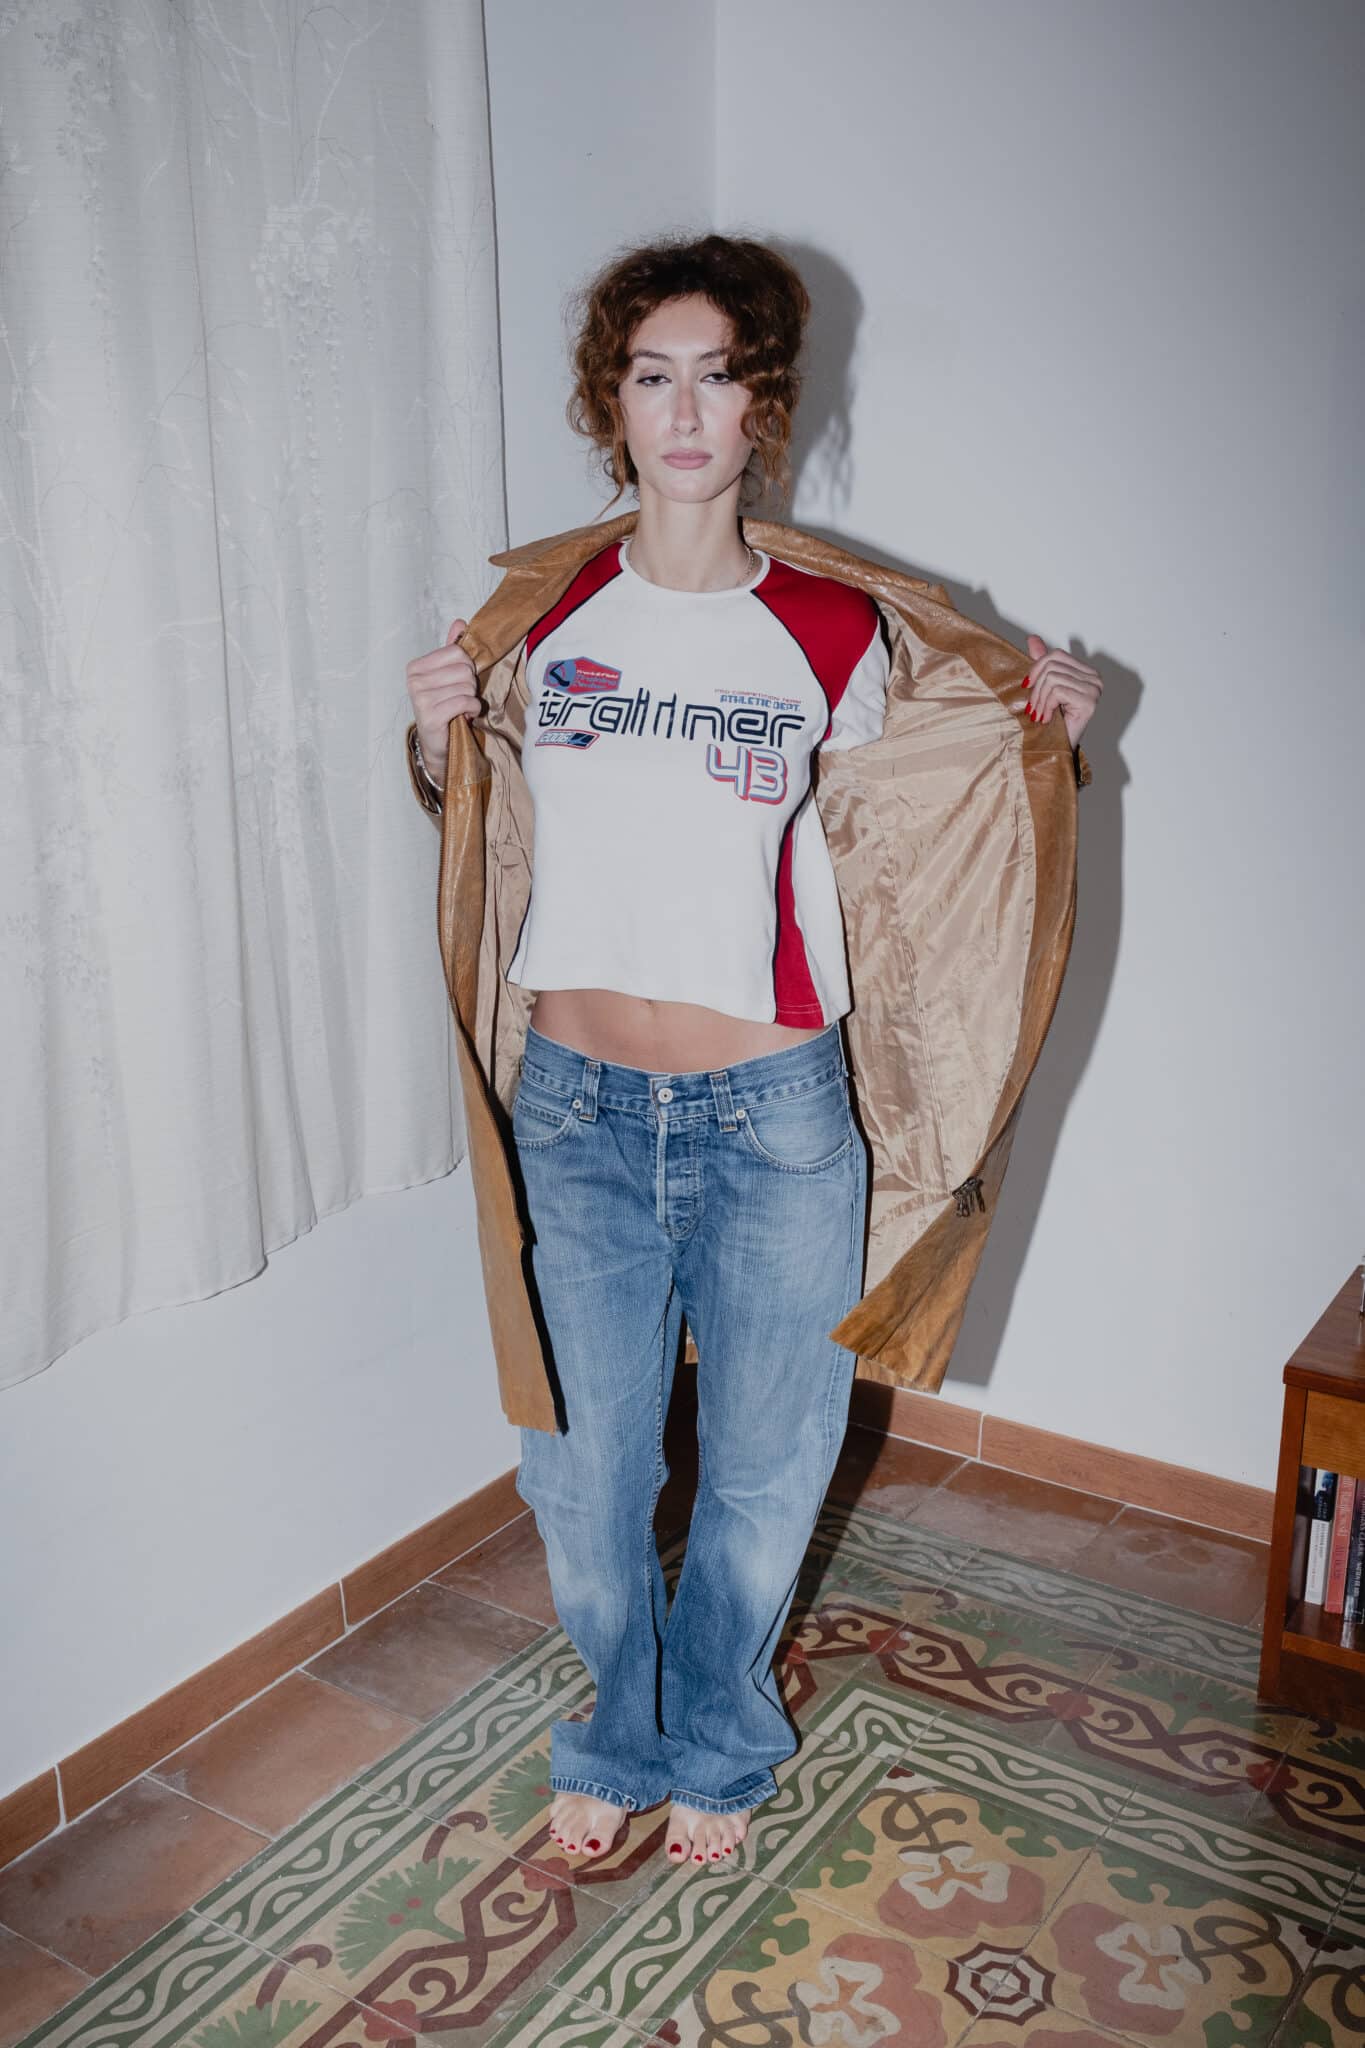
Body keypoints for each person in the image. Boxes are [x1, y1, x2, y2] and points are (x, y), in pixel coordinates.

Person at [404, 233, 1101, 1873]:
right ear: (611, 405)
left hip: (775, 1112)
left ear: (762, 404)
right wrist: (429, 735)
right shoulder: (536, 613)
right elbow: (478, 825)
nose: (681, 411)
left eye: (715, 377)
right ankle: (616, 1730)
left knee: (765, 1471)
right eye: (649, 376)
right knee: (581, 1478)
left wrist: (1045, 730)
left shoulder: (842, 628)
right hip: (572, 1110)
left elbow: (949, 796)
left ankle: (712, 1743)